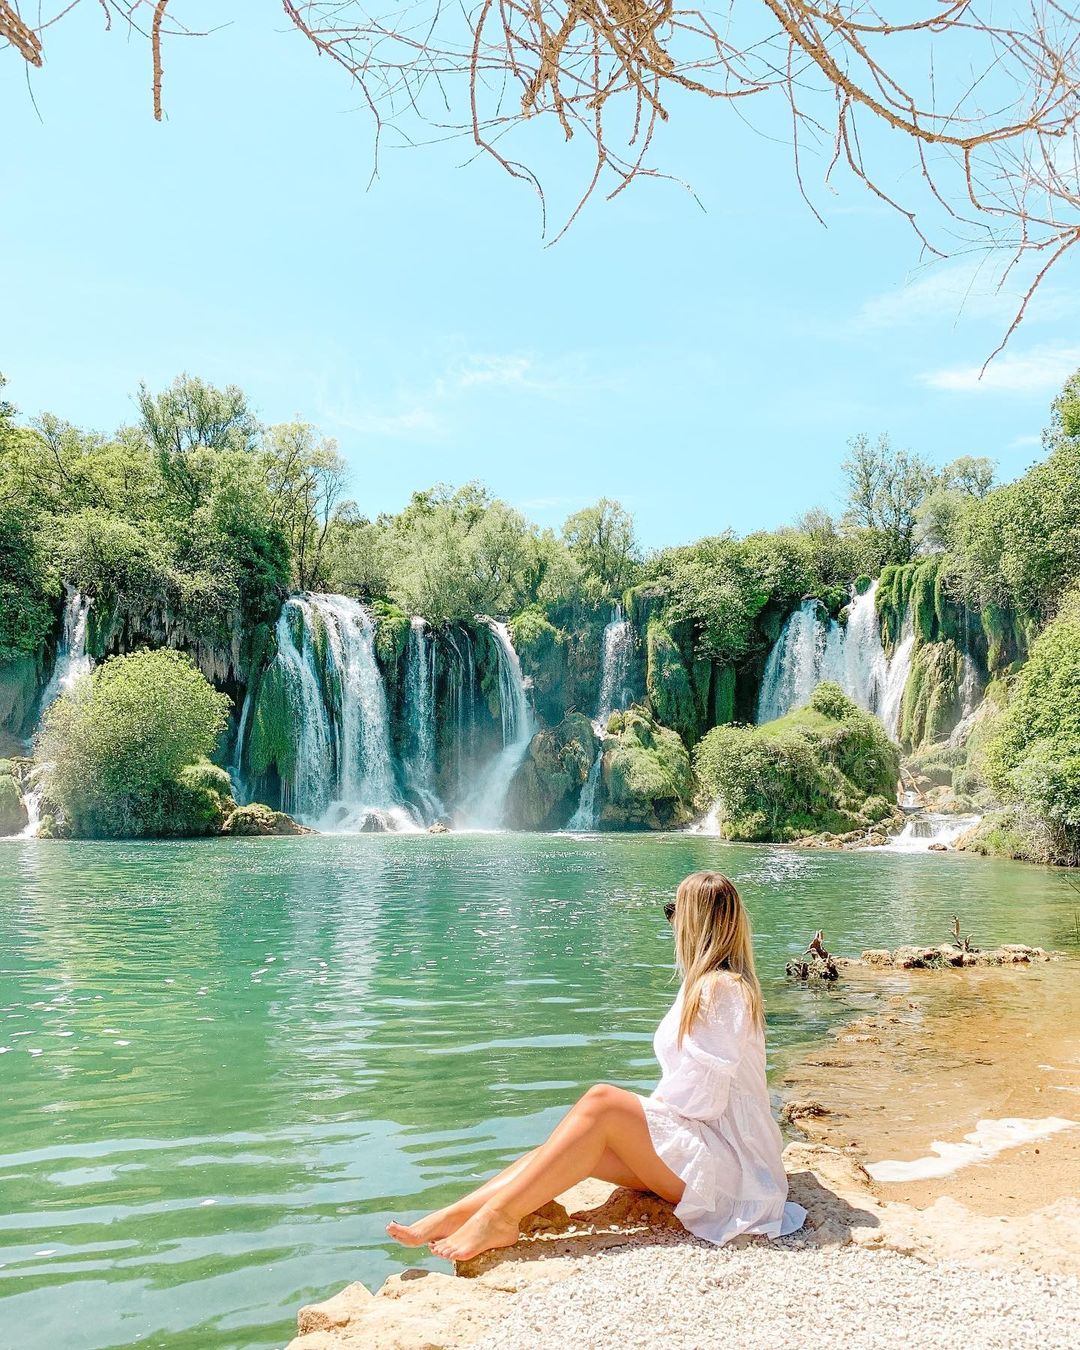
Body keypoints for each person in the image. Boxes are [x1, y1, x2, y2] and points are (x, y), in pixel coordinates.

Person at [387, 870, 806, 1261]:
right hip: (712, 1153)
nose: (672, 922)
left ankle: (500, 1220)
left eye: (674, 912)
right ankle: (456, 1214)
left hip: (732, 1176)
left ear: (696, 924)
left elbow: (705, 1098)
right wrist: (649, 1118)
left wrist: (647, 1114)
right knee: (561, 1151)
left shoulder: (721, 989)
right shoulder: (711, 985)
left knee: (602, 1102)